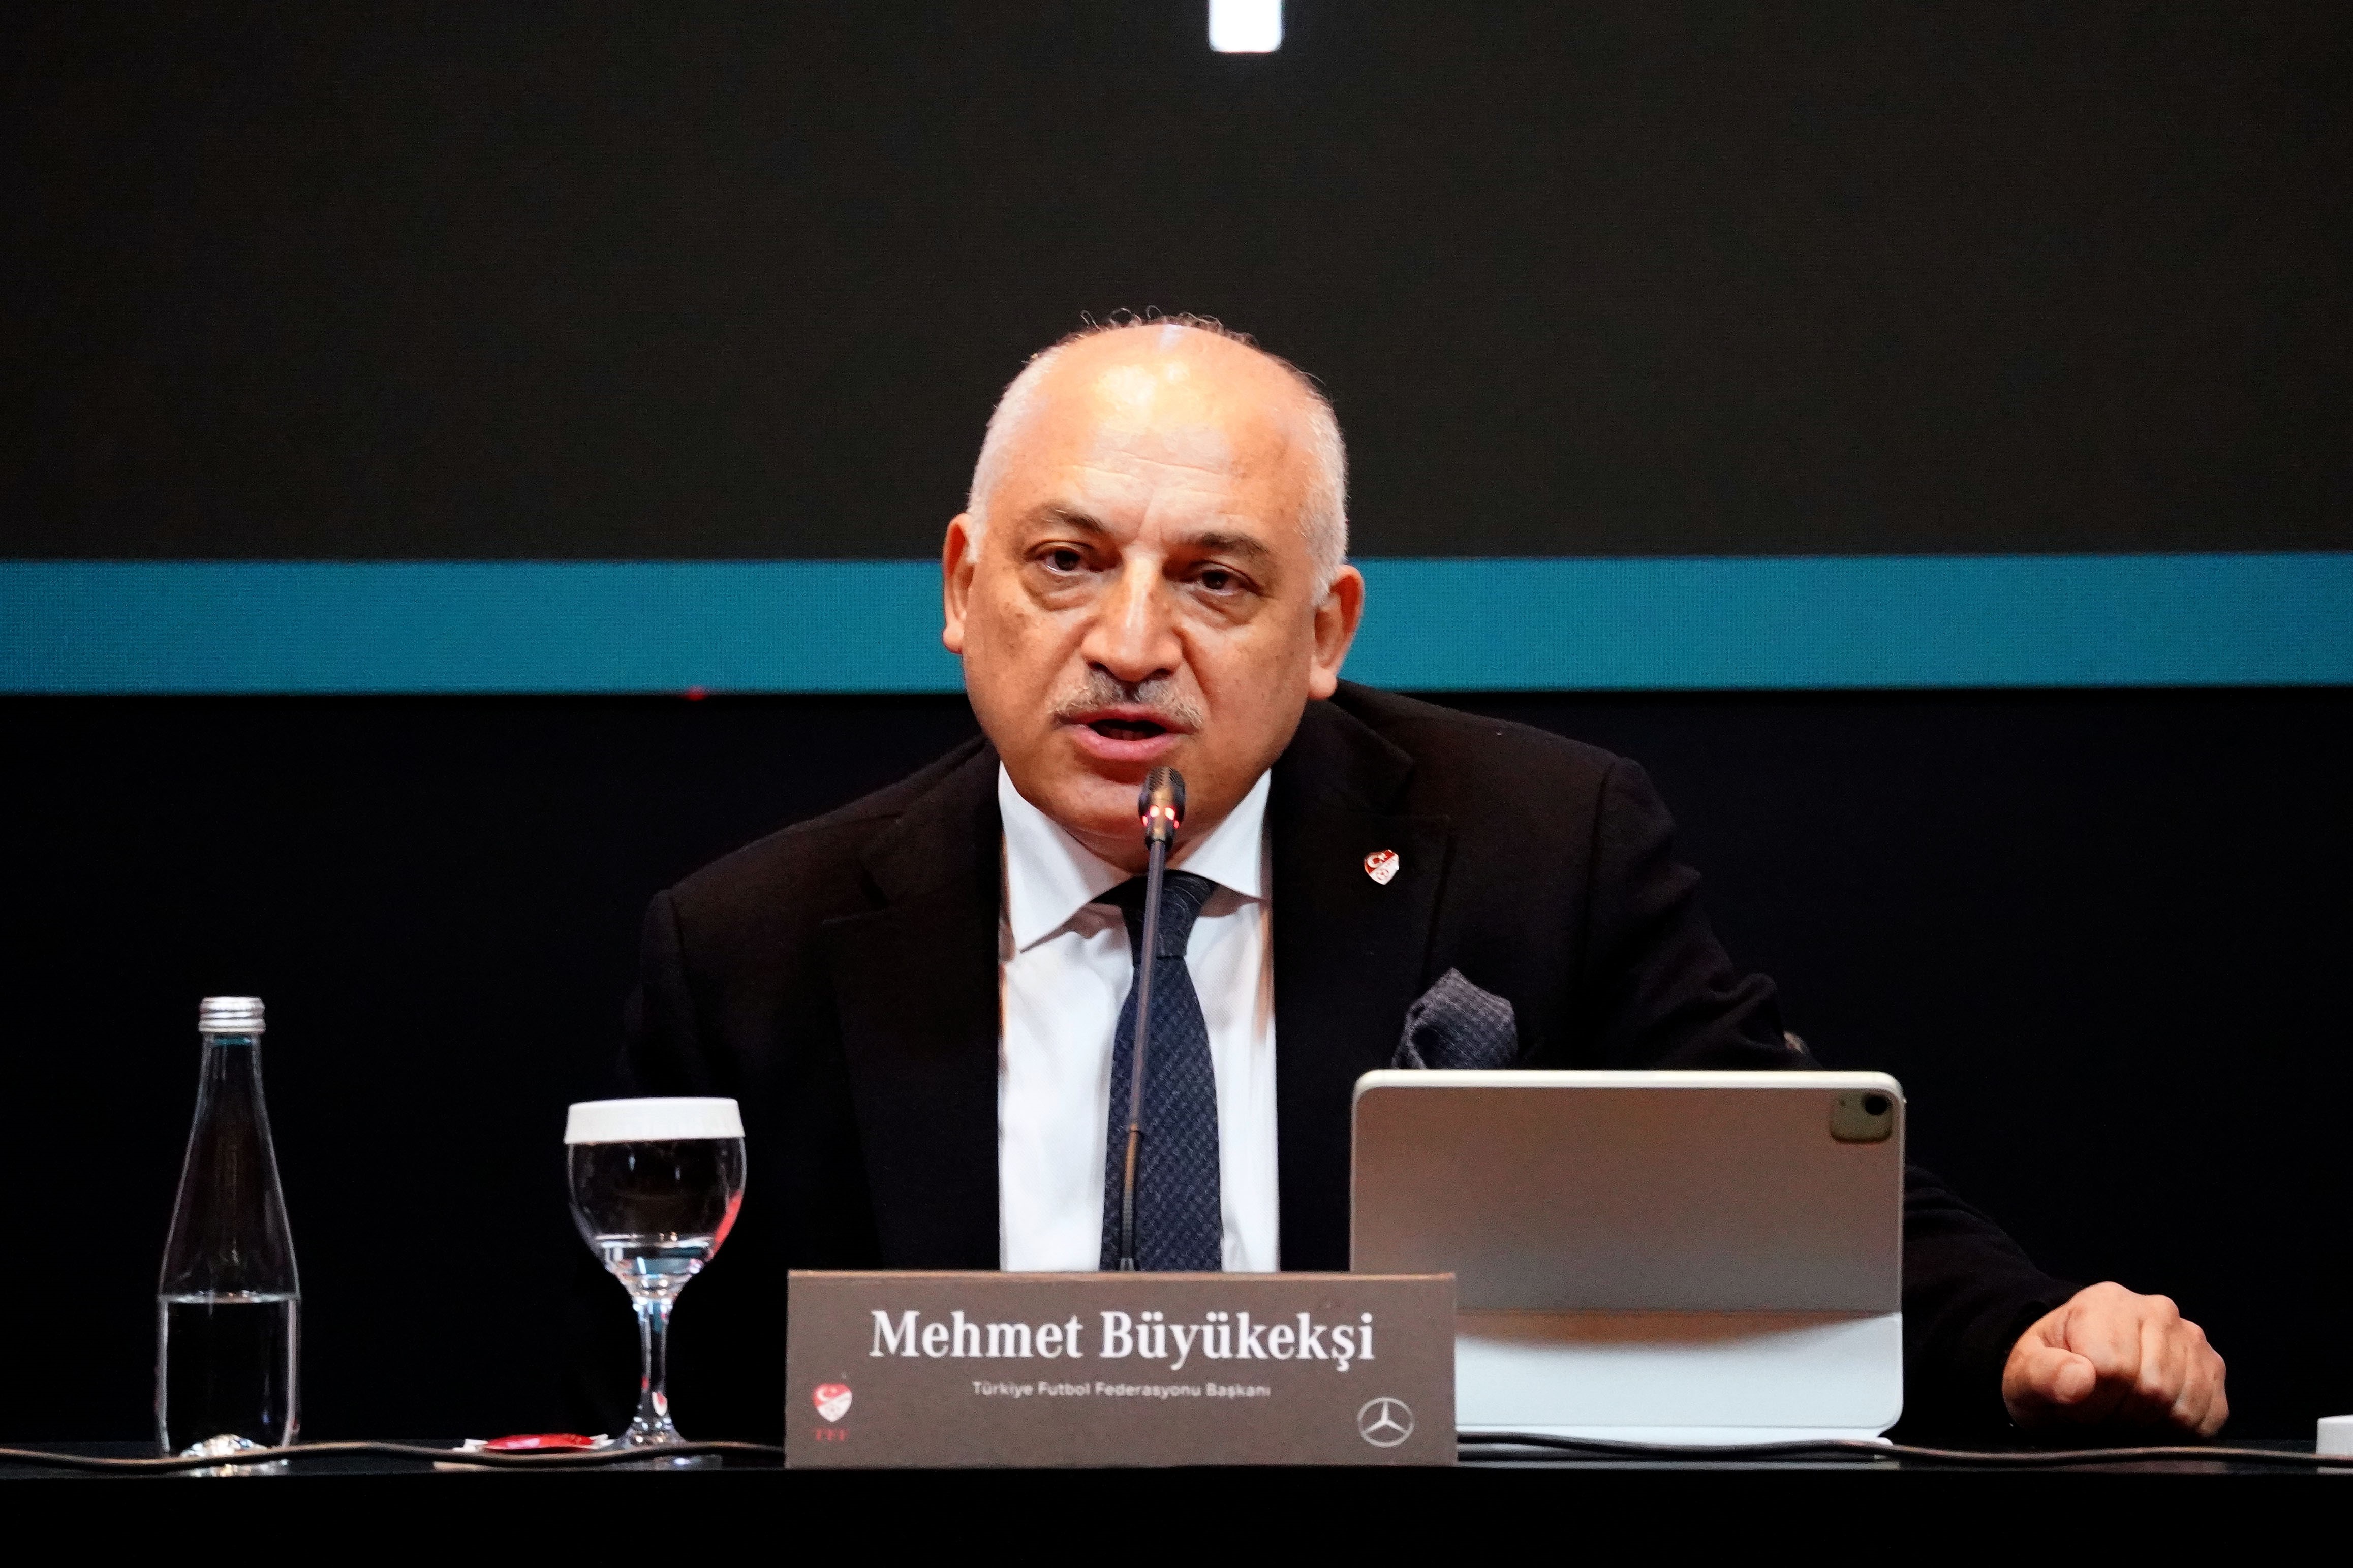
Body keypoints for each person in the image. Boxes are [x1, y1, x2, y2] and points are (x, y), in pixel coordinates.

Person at [607, 317, 2226, 1442]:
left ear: (1326, 632)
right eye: (1069, 562)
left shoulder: (1537, 847)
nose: (1130, 642)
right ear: (965, 588)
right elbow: (655, 1407)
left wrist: (2026, 1331)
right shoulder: (753, 948)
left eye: (1216, 581)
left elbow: (1785, 1189)